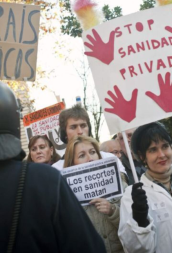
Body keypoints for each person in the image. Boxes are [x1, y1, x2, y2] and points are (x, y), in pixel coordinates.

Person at [0, 82, 106, 252]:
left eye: (82, 125)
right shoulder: (48, 178)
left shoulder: (48, 177)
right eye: (34, 149)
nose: (79, 131)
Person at [118, 122, 172, 253]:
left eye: (165, 146)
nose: (161, 155)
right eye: (153, 150)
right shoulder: (132, 197)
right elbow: (134, 249)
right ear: (142, 156)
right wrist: (140, 219)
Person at [64, 135, 127, 253]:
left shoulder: (118, 182)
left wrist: (113, 210)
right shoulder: (65, 196)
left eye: (93, 152)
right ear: (72, 163)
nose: (90, 158)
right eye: (82, 155)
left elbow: (134, 225)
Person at [52, 105, 127, 176]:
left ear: (89, 129)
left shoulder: (110, 159)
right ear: (64, 133)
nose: (80, 131)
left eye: (83, 126)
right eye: (73, 127)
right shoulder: (56, 170)